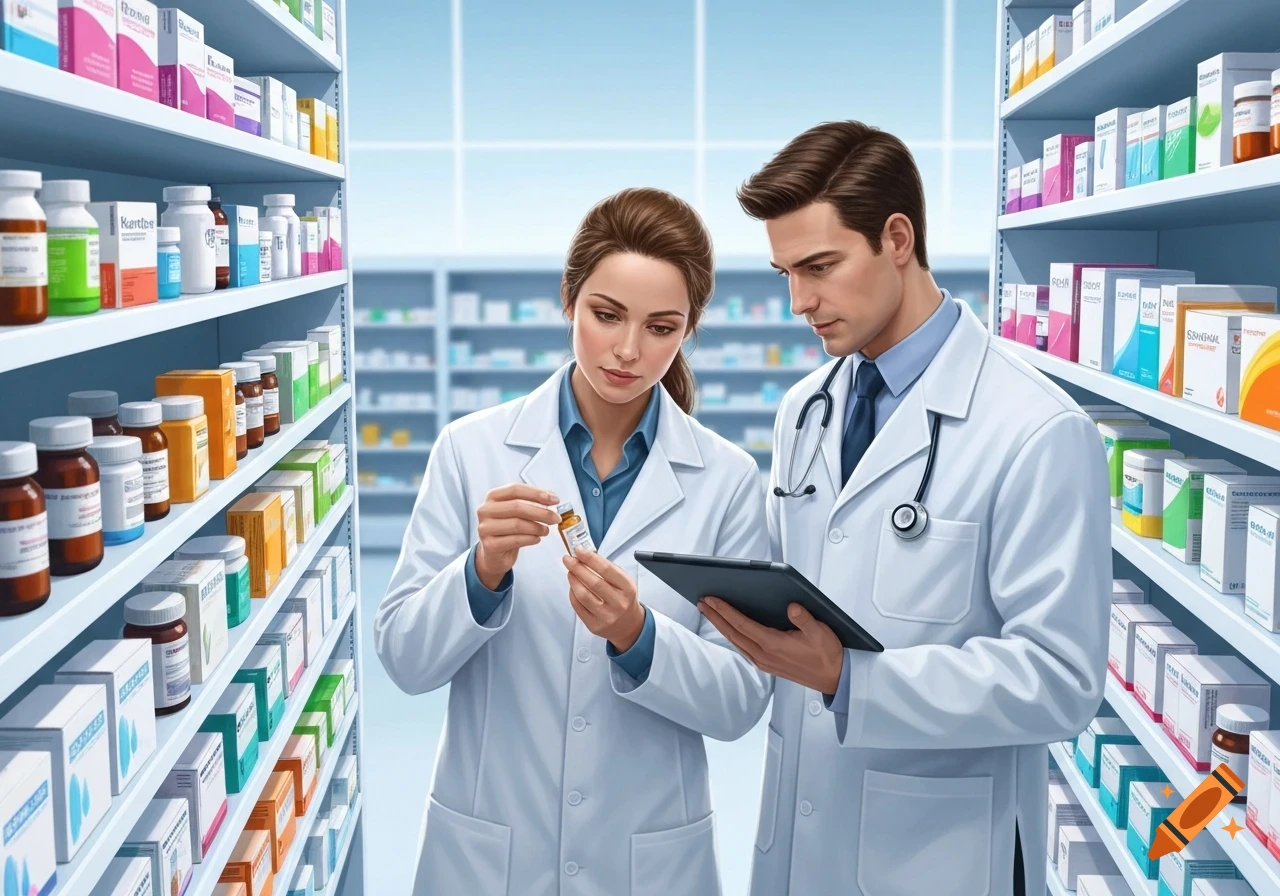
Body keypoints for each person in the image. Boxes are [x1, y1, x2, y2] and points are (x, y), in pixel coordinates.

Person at [698, 121, 1112, 896]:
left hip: (937, 855)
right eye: (786, 272)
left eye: (819, 266)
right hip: (797, 838)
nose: (799, 301)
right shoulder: (806, 410)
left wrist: (852, 681)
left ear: (897, 238)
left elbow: (1060, 679)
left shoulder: (1035, 429)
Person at [373, 187, 773, 896]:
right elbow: (405, 657)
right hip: (490, 851)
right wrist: (482, 571)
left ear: (690, 329)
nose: (627, 350)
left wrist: (638, 634)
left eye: (661, 326)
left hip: (646, 859)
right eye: (606, 315)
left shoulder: (728, 481)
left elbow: (741, 699)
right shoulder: (472, 451)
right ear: (569, 297)